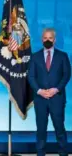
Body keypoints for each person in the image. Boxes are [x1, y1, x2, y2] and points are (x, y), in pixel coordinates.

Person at [28, 28, 71, 156]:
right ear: (42, 39)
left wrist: (56, 89)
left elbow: (67, 75)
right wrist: (40, 91)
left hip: (57, 98)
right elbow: (31, 76)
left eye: (50, 38)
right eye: (45, 38)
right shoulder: (35, 57)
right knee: (41, 129)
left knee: (59, 128)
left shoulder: (63, 56)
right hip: (40, 99)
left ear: (55, 40)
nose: (48, 40)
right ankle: (40, 153)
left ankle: (63, 153)